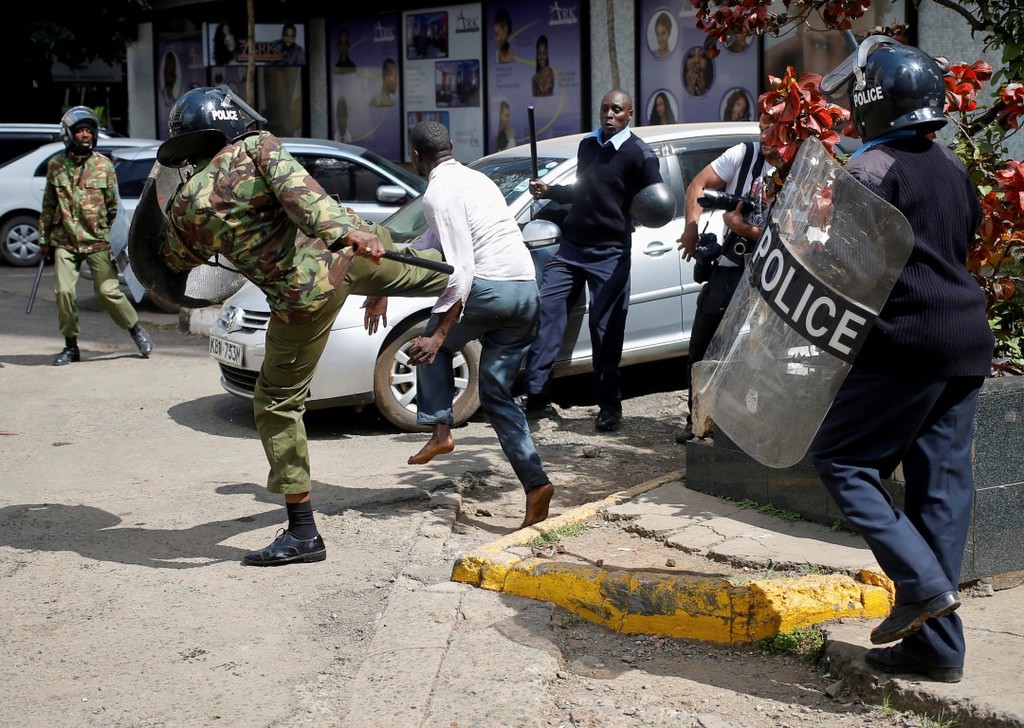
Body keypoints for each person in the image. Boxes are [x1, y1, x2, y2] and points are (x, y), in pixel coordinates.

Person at [154, 87, 449, 566]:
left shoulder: (188, 204)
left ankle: (304, 533)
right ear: (229, 123)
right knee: (428, 271)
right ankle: (486, 270)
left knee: (276, 405)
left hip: (301, 299)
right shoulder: (258, 147)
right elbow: (306, 198)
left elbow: (174, 264)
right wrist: (348, 233)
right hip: (347, 258)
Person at [809, 39, 993, 683]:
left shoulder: (870, 168)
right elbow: (962, 241)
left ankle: (918, 585)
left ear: (871, 103)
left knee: (842, 458)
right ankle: (938, 649)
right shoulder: (950, 167)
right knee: (940, 490)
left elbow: (844, 267)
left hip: (906, 342)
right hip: (967, 341)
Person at [402, 121, 555, 528]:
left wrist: (439, 334)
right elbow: (433, 240)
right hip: (525, 292)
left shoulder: (436, 193)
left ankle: (440, 430)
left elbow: (462, 268)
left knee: (429, 346)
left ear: (415, 155)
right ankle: (536, 485)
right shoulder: (477, 180)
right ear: (450, 146)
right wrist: (390, 262)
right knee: (495, 394)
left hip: (488, 290)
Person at [519, 89, 663, 432]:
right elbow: (585, 189)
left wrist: (637, 217)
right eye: (605, 108)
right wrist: (550, 191)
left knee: (606, 330)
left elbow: (657, 201)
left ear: (629, 114)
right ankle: (537, 396)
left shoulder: (640, 155)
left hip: (610, 253)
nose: (609, 114)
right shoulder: (588, 145)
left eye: (617, 110)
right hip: (571, 248)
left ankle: (609, 407)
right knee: (548, 311)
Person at [674, 125, 778, 443]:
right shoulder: (743, 154)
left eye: (774, 128)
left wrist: (743, 228)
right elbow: (698, 185)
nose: (766, 135)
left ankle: (742, 431)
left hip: (770, 277)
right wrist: (691, 226)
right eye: (762, 127)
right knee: (703, 350)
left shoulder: (798, 167)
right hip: (729, 269)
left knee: (753, 360)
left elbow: (789, 236)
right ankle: (700, 423)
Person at [39, 106, 154, 366]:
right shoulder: (56, 166)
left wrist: (119, 242)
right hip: (65, 240)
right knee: (64, 292)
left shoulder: (104, 166)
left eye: (89, 131)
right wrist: (44, 240)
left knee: (107, 291)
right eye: (79, 131)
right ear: (68, 135)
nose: (85, 135)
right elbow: (48, 205)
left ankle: (136, 329)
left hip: (97, 241)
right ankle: (71, 346)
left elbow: (115, 208)